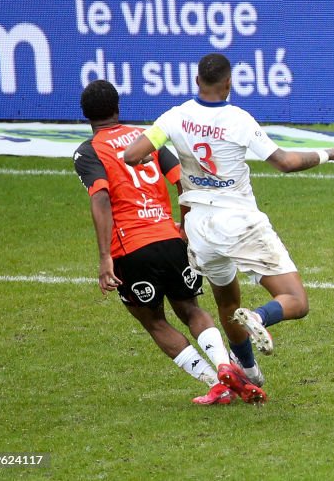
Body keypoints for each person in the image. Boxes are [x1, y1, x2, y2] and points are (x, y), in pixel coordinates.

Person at [123, 53, 334, 387]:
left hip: (200, 230)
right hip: (238, 222)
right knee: (296, 300)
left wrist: (158, 153)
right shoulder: (238, 119)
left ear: (196, 82)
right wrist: (330, 153)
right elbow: (285, 162)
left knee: (228, 302)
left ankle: (248, 370)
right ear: (228, 83)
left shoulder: (175, 117)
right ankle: (260, 317)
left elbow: (131, 155)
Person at [74, 79, 265, 406]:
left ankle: (215, 382)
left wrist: (105, 256)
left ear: (85, 115)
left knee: (154, 320)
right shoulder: (144, 138)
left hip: (131, 250)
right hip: (172, 238)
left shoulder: (88, 151)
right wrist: (186, 224)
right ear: (118, 106)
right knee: (191, 309)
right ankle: (224, 365)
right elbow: (182, 178)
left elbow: (101, 198)